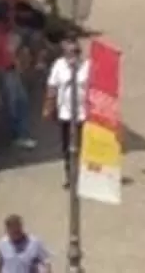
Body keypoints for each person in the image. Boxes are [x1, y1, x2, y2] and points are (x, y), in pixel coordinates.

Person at [0, 4, 35, 147]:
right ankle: (18, 136)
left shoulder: (4, 32)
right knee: (15, 105)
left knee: (21, 102)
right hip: (4, 72)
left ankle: (20, 134)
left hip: (11, 70)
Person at [46, 37, 87, 190]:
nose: (72, 55)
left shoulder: (87, 66)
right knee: (68, 147)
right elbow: (52, 86)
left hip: (83, 114)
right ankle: (70, 176)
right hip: (65, 114)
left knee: (81, 146)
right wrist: (49, 107)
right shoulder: (59, 65)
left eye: (75, 52)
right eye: (69, 52)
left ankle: (83, 175)